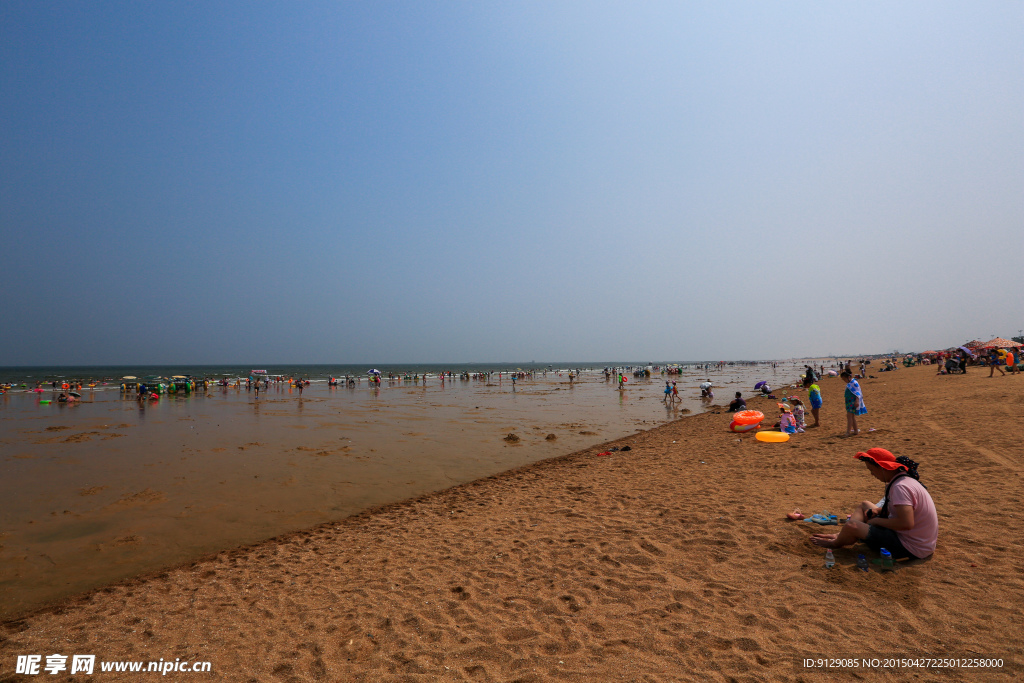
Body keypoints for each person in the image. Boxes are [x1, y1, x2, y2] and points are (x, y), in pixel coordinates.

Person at [810, 448, 937, 560]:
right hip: (922, 542)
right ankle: (842, 535)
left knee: (852, 525)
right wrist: (880, 511)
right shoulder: (903, 479)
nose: (872, 474)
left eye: (871, 470)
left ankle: (836, 543)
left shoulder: (900, 487)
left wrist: (876, 522)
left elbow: (906, 523)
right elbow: (900, 511)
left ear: (881, 467)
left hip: (912, 547)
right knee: (865, 505)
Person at [841, 370, 866, 435]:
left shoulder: (854, 383)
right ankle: (855, 431)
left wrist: (857, 401)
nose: (844, 381)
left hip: (853, 402)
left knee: (849, 416)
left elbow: (858, 393)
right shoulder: (850, 383)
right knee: (852, 417)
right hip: (849, 401)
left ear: (849, 377)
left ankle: (848, 432)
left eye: (844, 379)